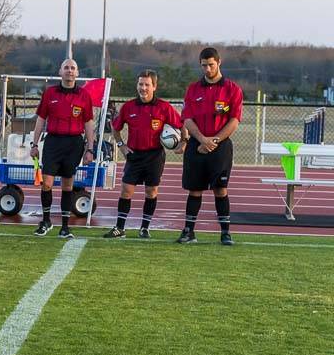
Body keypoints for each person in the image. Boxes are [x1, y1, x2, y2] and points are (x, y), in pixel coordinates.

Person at [104, 70, 184, 239]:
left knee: (151, 191)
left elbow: (182, 123)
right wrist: (121, 146)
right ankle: (120, 228)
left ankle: (145, 228)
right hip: (134, 155)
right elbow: (115, 128)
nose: (143, 88)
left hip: (154, 156)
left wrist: (183, 142)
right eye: (141, 84)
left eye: (147, 84)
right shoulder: (128, 107)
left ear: (154, 86)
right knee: (126, 190)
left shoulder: (164, 107)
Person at [178, 47, 243, 246]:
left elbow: (234, 120)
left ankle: (225, 233)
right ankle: (189, 231)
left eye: (211, 65)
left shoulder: (232, 89)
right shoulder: (193, 89)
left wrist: (213, 141)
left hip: (220, 147)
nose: (207, 69)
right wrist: (201, 139)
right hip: (197, 146)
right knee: (194, 190)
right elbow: (187, 119)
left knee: (220, 189)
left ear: (219, 62)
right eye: (204, 65)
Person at [29, 58, 96, 239]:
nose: (69, 71)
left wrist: (90, 148)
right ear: (60, 72)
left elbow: (89, 123)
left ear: (77, 72)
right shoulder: (50, 93)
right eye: (66, 68)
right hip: (53, 142)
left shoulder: (84, 96)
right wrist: (34, 144)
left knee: (68, 185)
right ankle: (46, 221)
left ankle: (65, 227)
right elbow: (41, 120)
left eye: (72, 68)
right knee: (47, 183)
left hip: (74, 144)